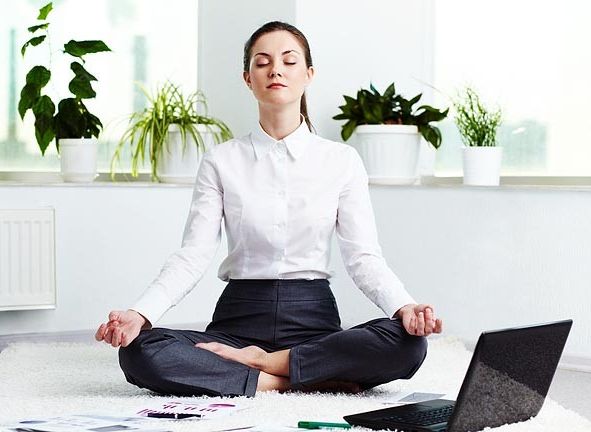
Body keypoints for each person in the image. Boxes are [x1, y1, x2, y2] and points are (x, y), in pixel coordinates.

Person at [95, 21, 443, 397]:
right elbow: (192, 255)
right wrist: (140, 313)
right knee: (139, 351)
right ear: (248, 78)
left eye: (288, 61)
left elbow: (363, 258)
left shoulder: (342, 161)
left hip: (313, 323)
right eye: (263, 62)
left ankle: (261, 365)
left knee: (407, 343)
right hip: (238, 320)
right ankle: (298, 380)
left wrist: (405, 306)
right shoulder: (221, 160)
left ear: (308, 74)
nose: (275, 69)